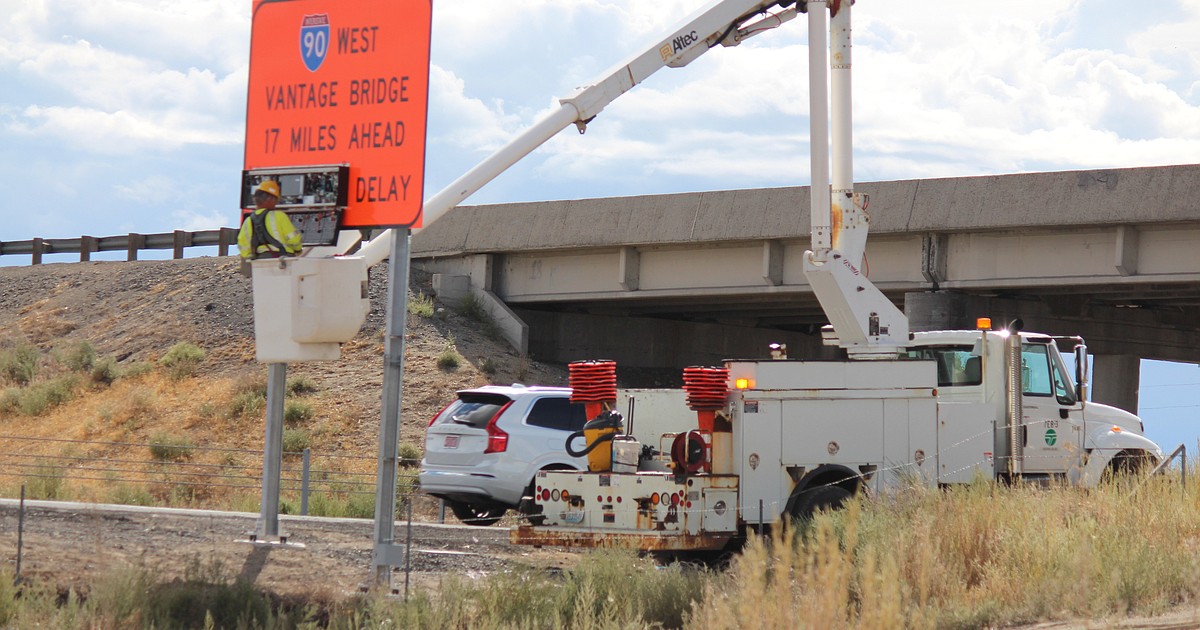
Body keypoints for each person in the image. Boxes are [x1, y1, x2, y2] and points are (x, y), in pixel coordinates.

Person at [237, 180, 302, 260]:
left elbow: (243, 245)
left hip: (259, 262)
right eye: (275, 200)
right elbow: (294, 239)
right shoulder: (279, 216)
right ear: (270, 199)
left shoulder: (248, 221)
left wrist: (250, 256)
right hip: (284, 260)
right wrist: (298, 250)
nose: (276, 203)